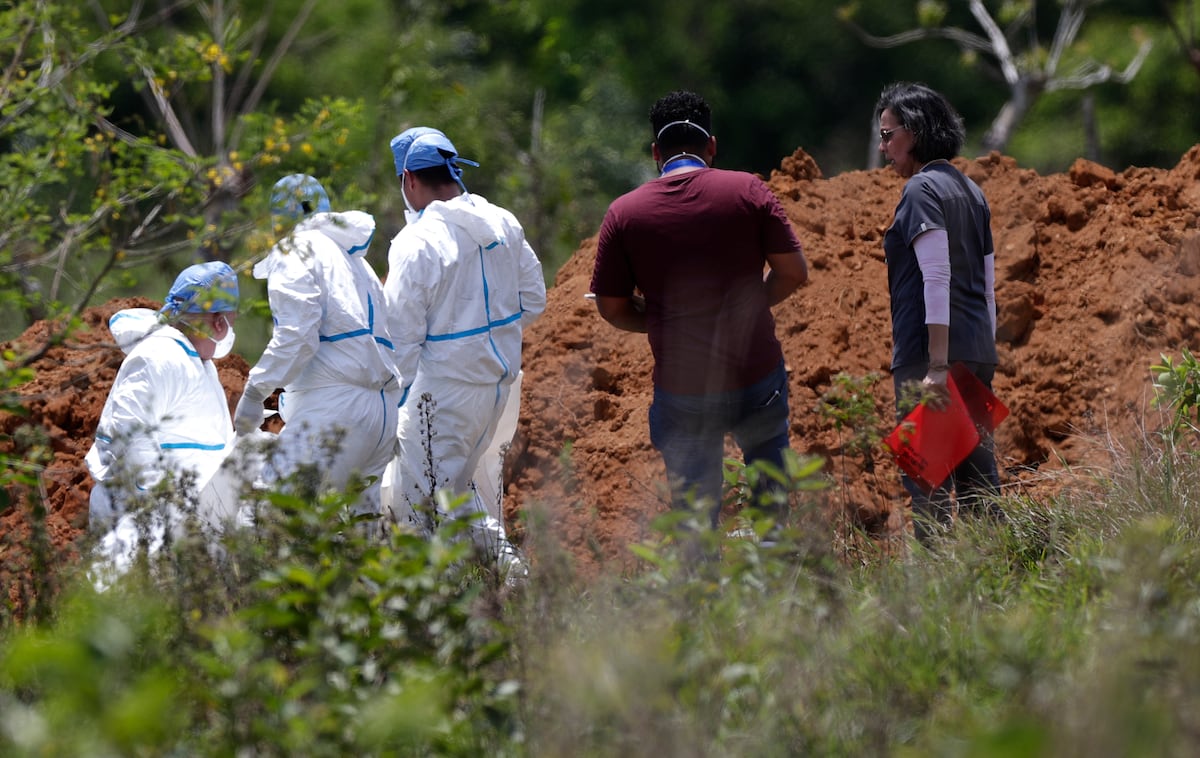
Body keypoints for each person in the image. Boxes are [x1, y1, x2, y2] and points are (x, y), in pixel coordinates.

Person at [589, 89, 810, 531]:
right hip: (756, 377)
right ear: (711, 145)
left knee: (694, 524)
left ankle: (701, 592)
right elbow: (792, 273)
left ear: (655, 152)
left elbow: (611, 308)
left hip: (683, 390)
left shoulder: (625, 214)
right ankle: (776, 584)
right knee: (772, 506)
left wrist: (661, 320)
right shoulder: (747, 190)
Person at [382, 127, 546, 576]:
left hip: (443, 395)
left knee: (419, 506)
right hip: (496, 390)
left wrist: (389, 399)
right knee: (456, 492)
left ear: (409, 180)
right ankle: (513, 579)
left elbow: (401, 336)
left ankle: (442, 608)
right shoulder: (503, 222)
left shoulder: (417, 242)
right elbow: (534, 300)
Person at [875, 81, 1005, 544]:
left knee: (927, 482)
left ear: (914, 132)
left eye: (889, 135)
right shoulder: (973, 192)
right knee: (978, 479)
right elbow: (988, 286)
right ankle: (999, 576)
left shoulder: (921, 191)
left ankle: (939, 587)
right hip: (975, 351)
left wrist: (934, 364)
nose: (883, 146)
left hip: (932, 358)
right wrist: (983, 354)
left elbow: (936, 276)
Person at [234, 174, 402, 523]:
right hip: (381, 413)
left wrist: (255, 391)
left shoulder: (296, 249)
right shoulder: (358, 263)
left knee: (272, 519)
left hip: (337, 408)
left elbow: (297, 335)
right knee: (358, 532)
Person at [85, 260, 244, 583]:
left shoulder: (197, 362)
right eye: (228, 320)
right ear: (217, 322)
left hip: (181, 517)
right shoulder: (157, 357)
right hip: (142, 517)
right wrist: (169, 502)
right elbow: (130, 436)